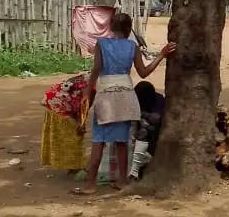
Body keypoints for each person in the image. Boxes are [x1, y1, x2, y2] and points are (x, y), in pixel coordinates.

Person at [75, 12, 174, 195]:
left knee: (99, 140)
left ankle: (90, 185)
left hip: (105, 94)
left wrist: (87, 91)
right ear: (129, 30)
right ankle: (122, 181)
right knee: (122, 141)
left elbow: (96, 69)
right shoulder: (132, 47)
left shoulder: (102, 45)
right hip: (126, 96)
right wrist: (161, 55)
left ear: (111, 28)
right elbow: (143, 72)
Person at [129, 81, 166, 179]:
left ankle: (135, 170)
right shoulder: (135, 101)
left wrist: (143, 116)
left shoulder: (158, 100)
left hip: (154, 133)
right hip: (138, 133)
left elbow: (157, 119)